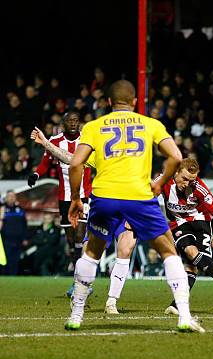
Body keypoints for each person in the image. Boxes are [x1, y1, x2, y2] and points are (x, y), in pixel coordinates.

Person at [64, 79, 203, 332]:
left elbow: (75, 164)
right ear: (135, 102)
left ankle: (76, 314)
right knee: (168, 251)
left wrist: (75, 199)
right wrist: (160, 182)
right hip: (139, 197)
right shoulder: (150, 124)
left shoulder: (95, 126)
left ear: (108, 103)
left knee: (92, 252)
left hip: (104, 197)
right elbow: (176, 157)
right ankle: (184, 315)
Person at [30, 125, 137, 314]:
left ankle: (111, 301)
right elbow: (73, 160)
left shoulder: (138, 159)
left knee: (126, 248)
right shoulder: (102, 155)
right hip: (103, 209)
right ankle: (79, 294)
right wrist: (46, 143)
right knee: (89, 253)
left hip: (126, 212)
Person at [157, 158, 213, 315]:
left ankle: (176, 305)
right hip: (178, 224)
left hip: (201, 224)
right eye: (184, 178)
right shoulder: (163, 180)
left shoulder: (199, 188)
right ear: (176, 172)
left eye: (191, 180)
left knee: (192, 266)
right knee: (190, 252)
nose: (187, 183)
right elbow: (147, 196)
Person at [28, 111, 92, 270]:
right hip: (65, 196)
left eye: (76, 121)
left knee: (80, 233)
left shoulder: (87, 140)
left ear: (79, 123)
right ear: (63, 124)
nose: (73, 124)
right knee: (70, 238)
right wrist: (36, 174)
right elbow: (45, 162)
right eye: (70, 121)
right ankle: (75, 259)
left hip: (84, 194)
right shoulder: (55, 141)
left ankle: (79, 268)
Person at [0, 191, 28, 275]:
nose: (11, 198)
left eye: (13, 196)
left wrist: (25, 238)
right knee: (5, 259)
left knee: (15, 259)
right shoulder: (2, 209)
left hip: (18, 239)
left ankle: (13, 276)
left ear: (15, 198)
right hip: (6, 239)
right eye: (9, 196)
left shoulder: (20, 209)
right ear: (6, 198)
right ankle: (4, 276)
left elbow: (24, 225)